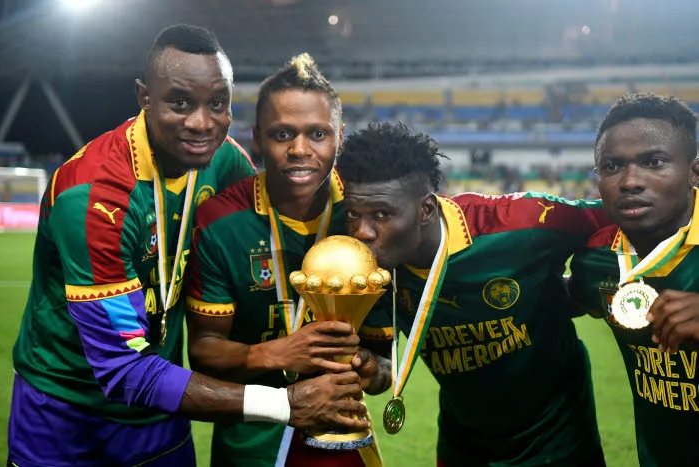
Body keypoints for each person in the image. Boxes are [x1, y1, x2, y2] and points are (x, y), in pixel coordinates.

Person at [8, 25, 369, 467]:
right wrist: (284, 404)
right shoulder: (94, 197)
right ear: (144, 97)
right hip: (64, 408)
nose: (201, 123)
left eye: (217, 103)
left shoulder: (224, 160)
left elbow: (281, 213)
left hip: (159, 406)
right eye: (180, 103)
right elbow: (121, 370)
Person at [336, 121, 610, 466]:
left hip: (555, 439)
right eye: (353, 214)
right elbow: (383, 367)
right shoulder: (369, 267)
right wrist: (372, 369)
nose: (362, 232)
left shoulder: (518, 224)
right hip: (462, 443)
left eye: (381, 214)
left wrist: (587, 283)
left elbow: (616, 218)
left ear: (426, 210)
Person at [185, 53, 390, 467]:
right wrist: (279, 354)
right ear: (257, 139)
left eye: (318, 134)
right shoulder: (221, 222)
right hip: (252, 442)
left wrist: (369, 368)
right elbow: (204, 350)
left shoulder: (366, 217)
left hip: (342, 438)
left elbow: (383, 363)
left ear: (340, 137)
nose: (300, 149)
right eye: (282, 134)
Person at [568, 93, 699, 466]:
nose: (629, 181)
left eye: (653, 162)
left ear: (694, 172)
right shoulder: (597, 260)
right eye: (611, 167)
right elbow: (561, 298)